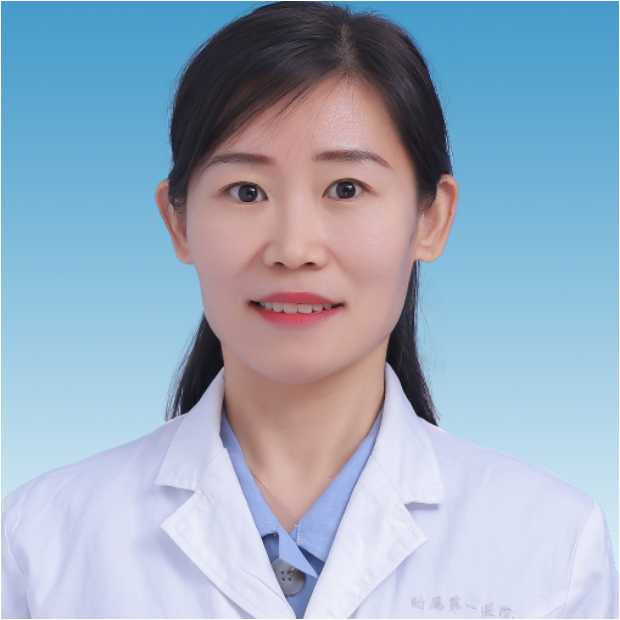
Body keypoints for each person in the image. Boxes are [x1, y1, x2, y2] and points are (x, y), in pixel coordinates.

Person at [2, 2, 617, 618]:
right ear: (179, 222)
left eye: (346, 189)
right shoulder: (43, 542)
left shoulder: (550, 547)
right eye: (247, 191)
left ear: (431, 218)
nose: (294, 249)